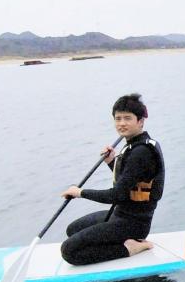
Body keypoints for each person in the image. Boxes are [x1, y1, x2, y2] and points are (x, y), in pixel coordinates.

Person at [59, 93, 166, 265]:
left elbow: (116, 195)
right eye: (118, 119)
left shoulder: (142, 151)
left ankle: (130, 248)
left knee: (69, 251)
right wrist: (111, 162)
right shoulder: (133, 144)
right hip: (119, 214)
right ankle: (116, 239)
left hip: (134, 223)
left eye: (127, 118)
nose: (122, 123)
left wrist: (80, 192)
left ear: (140, 121)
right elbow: (130, 180)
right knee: (72, 230)